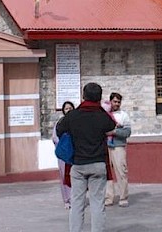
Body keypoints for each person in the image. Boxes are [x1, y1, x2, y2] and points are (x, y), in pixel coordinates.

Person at [56, 82, 116, 232]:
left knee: (77, 203)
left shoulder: (73, 115)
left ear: (83, 96)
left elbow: (59, 130)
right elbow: (111, 125)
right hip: (98, 164)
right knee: (97, 204)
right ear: (99, 98)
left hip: (78, 164)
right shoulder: (101, 115)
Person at [105, 92, 132, 208]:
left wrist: (114, 132)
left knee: (121, 172)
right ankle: (108, 197)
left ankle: (123, 197)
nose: (116, 104)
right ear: (110, 101)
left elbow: (127, 132)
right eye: (114, 101)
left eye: (118, 102)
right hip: (105, 146)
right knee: (107, 174)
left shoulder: (123, 115)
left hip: (118, 146)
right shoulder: (105, 114)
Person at [52, 100, 75, 209]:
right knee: (64, 177)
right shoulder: (59, 123)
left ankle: (76, 198)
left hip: (75, 154)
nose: (68, 110)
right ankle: (67, 199)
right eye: (66, 108)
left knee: (75, 176)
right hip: (63, 154)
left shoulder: (77, 122)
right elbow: (55, 138)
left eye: (70, 108)